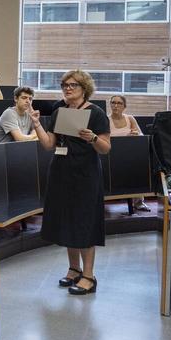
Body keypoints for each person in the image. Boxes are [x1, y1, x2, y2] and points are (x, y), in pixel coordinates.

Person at [30, 70, 111, 296]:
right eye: (64, 84)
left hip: (86, 174)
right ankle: (74, 269)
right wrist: (36, 124)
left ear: (84, 88)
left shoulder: (96, 113)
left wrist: (93, 137)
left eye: (72, 85)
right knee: (68, 220)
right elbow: (48, 145)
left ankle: (89, 275)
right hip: (61, 171)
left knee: (84, 221)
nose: (67, 88)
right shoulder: (59, 111)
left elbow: (106, 148)